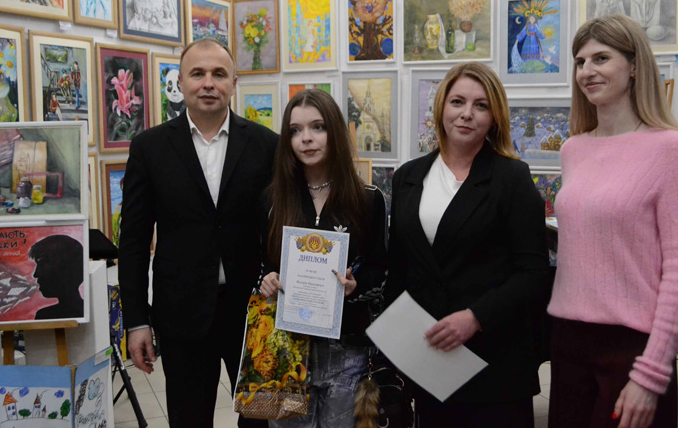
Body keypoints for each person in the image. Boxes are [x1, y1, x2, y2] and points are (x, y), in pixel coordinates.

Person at [547, 13, 678, 428]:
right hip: (569, 339)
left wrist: (652, 372)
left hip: (633, 347)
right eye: (580, 62)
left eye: (601, 58)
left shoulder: (669, 149)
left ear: (634, 67)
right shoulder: (573, 149)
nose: (587, 71)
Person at [118, 38, 278, 428]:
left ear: (233, 84)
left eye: (219, 74)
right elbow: (133, 242)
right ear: (181, 82)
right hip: (181, 316)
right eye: (198, 74)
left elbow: (280, 228)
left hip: (254, 313)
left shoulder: (267, 145)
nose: (208, 83)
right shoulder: (149, 148)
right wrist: (136, 321)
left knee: (263, 421)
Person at [385, 62, 549, 427]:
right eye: (457, 101)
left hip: (494, 361)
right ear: (441, 106)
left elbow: (533, 273)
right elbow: (400, 268)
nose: (466, 114)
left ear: (494, 117)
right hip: (429, 358)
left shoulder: (512, 178)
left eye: (481, 105)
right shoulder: (409, 176)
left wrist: (476, 317)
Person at [259, 89, 387, 428]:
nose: (306, 138)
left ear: (335, 133)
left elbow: (380, 269)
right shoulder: (273, 199)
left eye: (318, 127)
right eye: (295, 130)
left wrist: (356, 285)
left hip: (346, 349)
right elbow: (262, 262)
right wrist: (267, 278)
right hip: (287, 347)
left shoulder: (368, 199)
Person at [31, 235, 84, 320]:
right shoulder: (45, 315)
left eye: (42, 264)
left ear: (65, 268)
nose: (36, 274)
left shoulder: (46, 316)